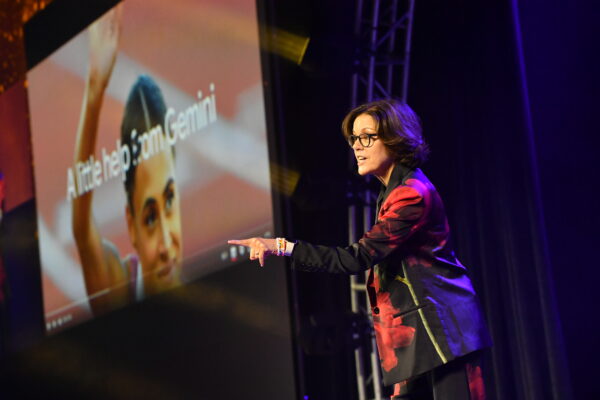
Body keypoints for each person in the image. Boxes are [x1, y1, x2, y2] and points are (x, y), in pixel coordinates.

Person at [229, 99, 492, 399]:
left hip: (445, 334)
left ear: (396, 138)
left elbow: (356, 258)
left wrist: (282, 247)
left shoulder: (410, 195)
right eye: (354, 138)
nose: (357, 146)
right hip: (417, 336)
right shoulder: (391, 191)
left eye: (367, 136)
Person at [72, 7, 182, 316]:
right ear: (130, 226)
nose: (165, 245)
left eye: (170, 199)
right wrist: (94, 90)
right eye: (148, 217)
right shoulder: (121, 286)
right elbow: (82, 230)